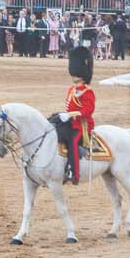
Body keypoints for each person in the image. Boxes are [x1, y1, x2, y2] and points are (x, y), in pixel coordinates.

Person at [57, 46, 96, 184]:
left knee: (72, 141)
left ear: (82, 73)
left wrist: (72, 115)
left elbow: (88, 110)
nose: (73, 75)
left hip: (82, 126)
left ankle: (75, 173)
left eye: (76, 73)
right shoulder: (72, 89)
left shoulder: (87, 91)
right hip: (70, 123)